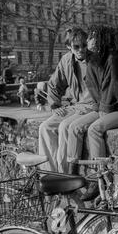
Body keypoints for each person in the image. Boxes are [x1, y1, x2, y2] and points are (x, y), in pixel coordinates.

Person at [66, 26, 118, 201]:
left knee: (94, 129)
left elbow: (113, 90)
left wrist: (102, 110)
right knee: (75, 126)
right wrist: (99, 108)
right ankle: (71, 172)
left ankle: (100, 177)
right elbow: (95, 89)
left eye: (92, 37)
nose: (88, 41)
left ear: (101, 39)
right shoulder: (95, 60)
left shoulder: (112, 59)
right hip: (108, 107)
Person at [38, 27, 98, 173]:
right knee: (45, 127)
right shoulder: (66, 60)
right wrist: (54, 105)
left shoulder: (96, 60)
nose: (81, 50)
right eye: (76, 47)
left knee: (65, 126)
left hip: (92, 106)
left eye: (84, 45)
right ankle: (49, 172)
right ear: (69, 47)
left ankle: (63, 174)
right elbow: (53, 84)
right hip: (76, 106)